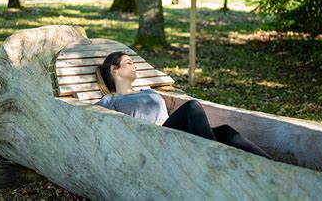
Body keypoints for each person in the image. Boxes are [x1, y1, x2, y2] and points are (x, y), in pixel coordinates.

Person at [95, 51, 271, 159]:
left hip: (173, 133)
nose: (134, 65)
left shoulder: (147, 91)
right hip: (151, 141)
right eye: (128, 62)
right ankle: (215, 156)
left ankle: (273, 166)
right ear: (114, 69)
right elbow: (101, 125)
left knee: (225, 130)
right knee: (192, 107)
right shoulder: (110, 101)